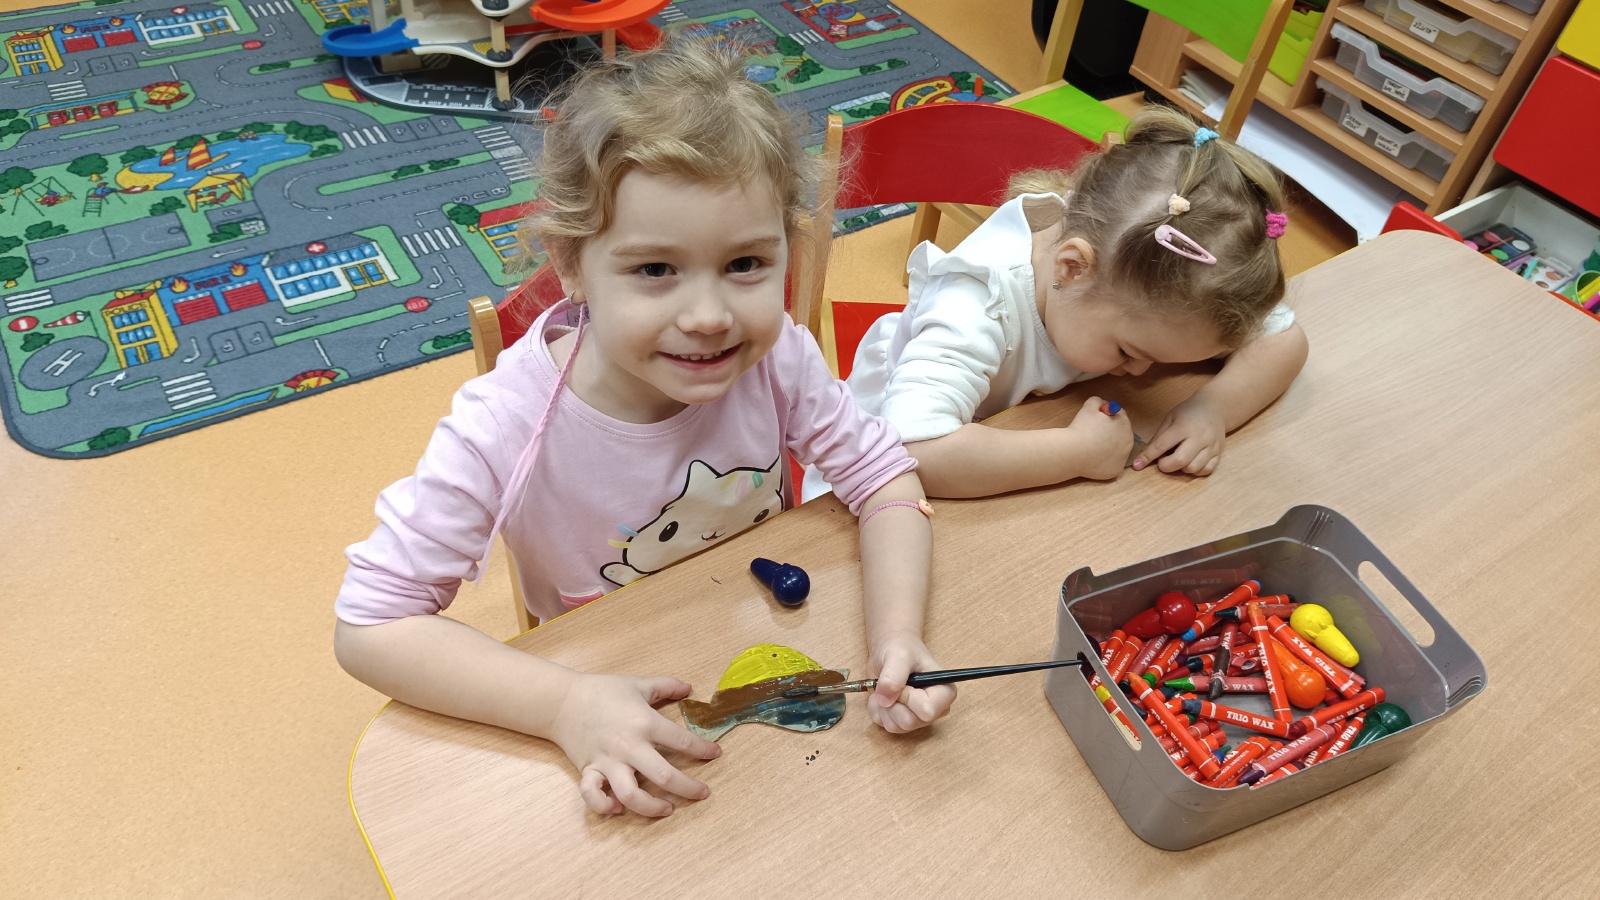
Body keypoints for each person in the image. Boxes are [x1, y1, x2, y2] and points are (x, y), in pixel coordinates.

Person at [333, 39, 954, 819]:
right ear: (571, 263)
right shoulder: (503, 423)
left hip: (760, 648)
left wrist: (897, 636)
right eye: (656, 270)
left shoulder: (776, 358)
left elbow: (886, 477)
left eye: (746, 264)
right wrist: (563, 705)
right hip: (605, 692)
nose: (709, 316)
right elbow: (372, 626)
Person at [803, 106, 1309, 501]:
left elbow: (1283, 339)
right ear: (1071, 268)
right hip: (865, 480)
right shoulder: (975, 303)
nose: (1140, 373)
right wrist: (1074, 452)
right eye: (1129, 352)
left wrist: (1211, 409)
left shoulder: (1129, 268)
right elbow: (910, 452)